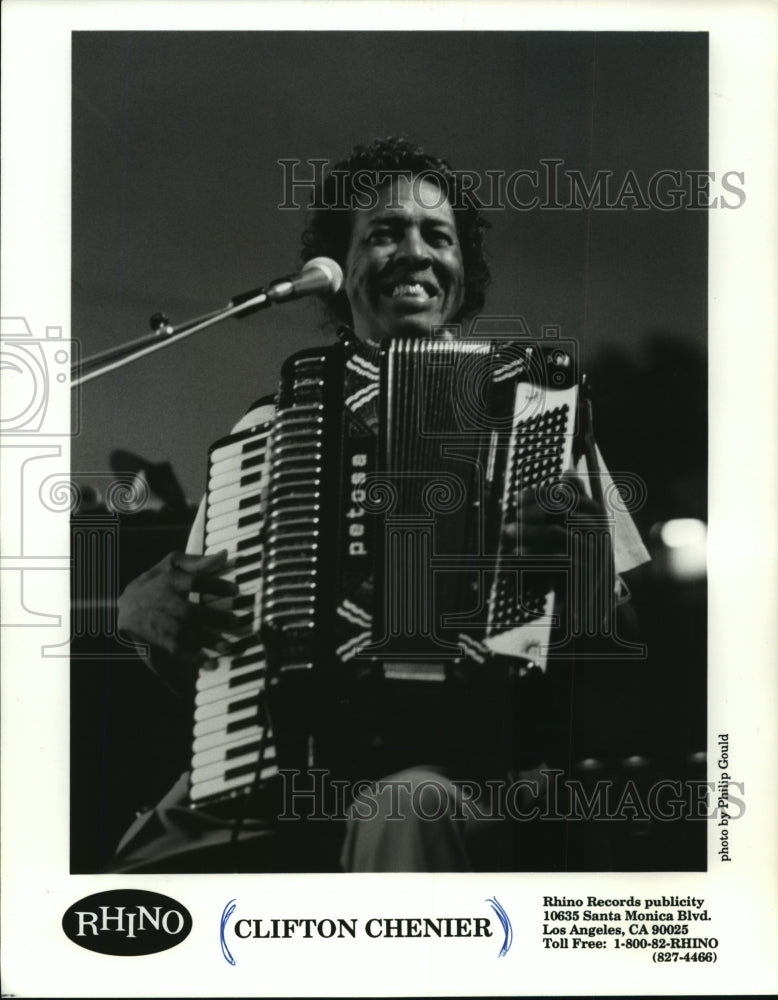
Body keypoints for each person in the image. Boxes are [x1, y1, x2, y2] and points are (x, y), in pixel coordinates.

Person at [111, 137, 649, 873]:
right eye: (385, 234)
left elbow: (620, 662)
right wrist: (141, 619)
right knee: (126, 886)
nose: (416, 254)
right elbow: (210, 663)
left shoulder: (539, 410)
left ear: (464, 268)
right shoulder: (270, 430)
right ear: (336, 272)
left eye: (439, 236)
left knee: (402, 810)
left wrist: (585, 570)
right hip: (284, 767)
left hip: (479, 769)